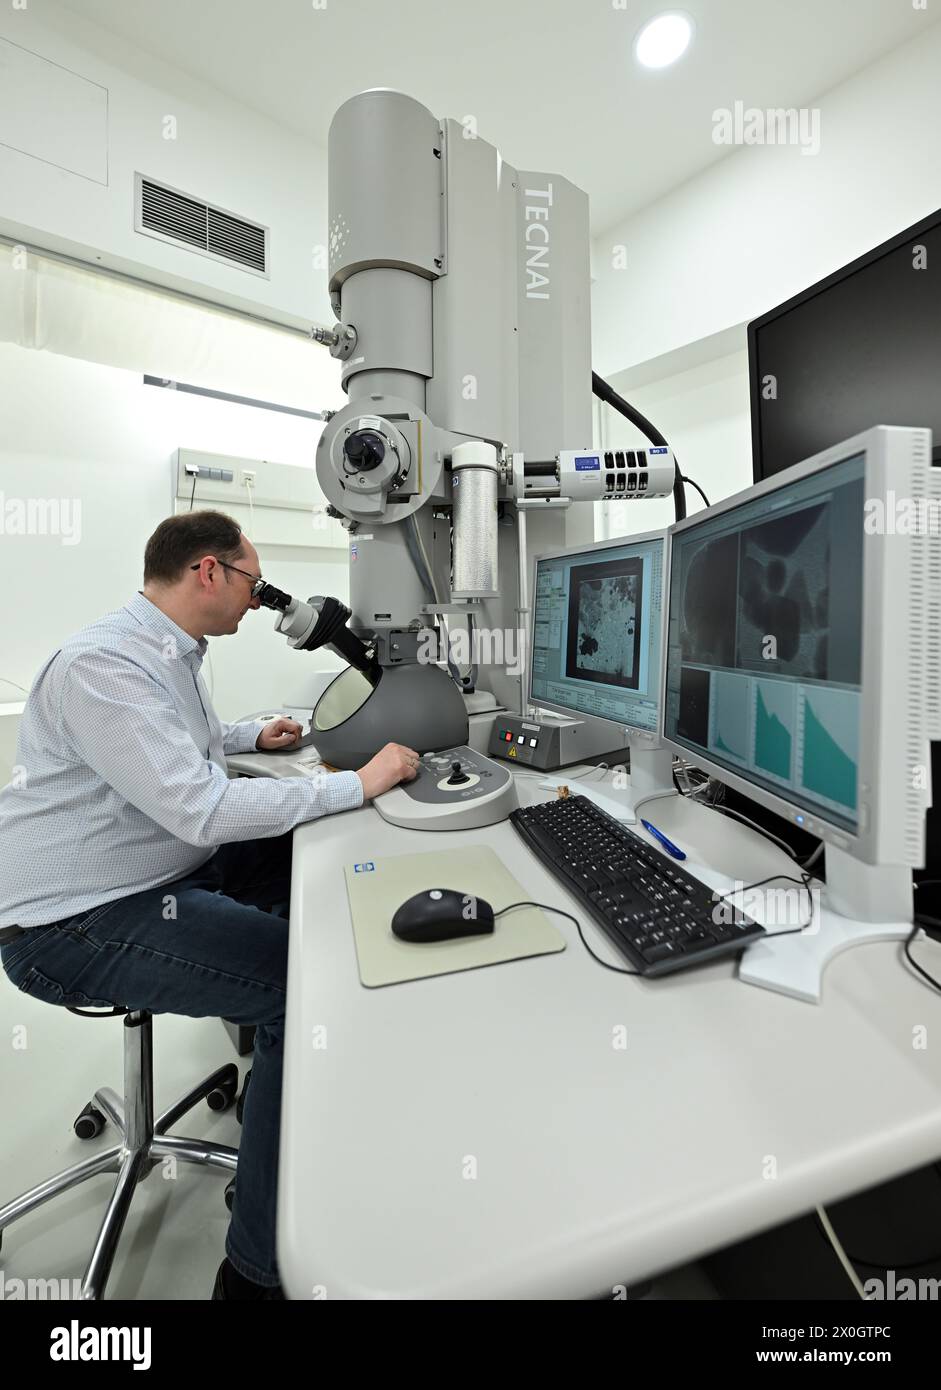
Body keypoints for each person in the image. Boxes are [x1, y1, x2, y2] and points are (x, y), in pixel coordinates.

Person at [0, 510, 419, 1299]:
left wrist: (247, 737)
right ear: (207, 572)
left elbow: (175, 744)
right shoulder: (104, 665)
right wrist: (356, 784)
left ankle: (298, 1107)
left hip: (146, 876)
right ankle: (255, 1271)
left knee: (304, 864)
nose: (258, 601)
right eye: (253, 583)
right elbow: (197, 809)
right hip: (72, 923)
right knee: (301, 987)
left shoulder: (161, 651)